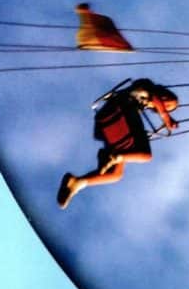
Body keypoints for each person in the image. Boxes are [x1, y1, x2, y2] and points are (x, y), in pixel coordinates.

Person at [57, 78, 179, 209]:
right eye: (168, 102)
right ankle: (113, 157)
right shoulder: (146, 87)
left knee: (116, 174)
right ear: (163, 93)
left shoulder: (142, 104)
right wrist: (166, 118)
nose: (166, 107)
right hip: (120, 109)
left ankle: (77, 183)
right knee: (145, 154)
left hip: (111, 122)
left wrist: (165, 117)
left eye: (169, 108)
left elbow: (155, 103)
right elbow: (154, 97)